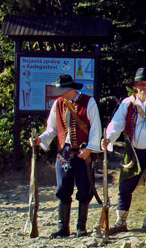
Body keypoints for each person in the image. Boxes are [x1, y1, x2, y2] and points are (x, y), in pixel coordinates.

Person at [30, 74, 103, 238]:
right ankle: (63, 228)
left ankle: (81, 227)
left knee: (84, 189)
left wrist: (89, 150)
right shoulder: (58, 103)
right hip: (64, 152)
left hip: (83, 152)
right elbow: (52, 128)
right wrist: (40, 139)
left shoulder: (89, 102)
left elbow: (95, 128)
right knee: (63, 189)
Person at [101, 68, 146, 234]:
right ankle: (120, 221)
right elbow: (117, 123)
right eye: (139, 84)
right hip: (134, 153)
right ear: (135, 86)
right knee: (125, 186)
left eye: (145, 84)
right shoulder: (128, 103)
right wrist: (109, 138)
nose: (142, 87)